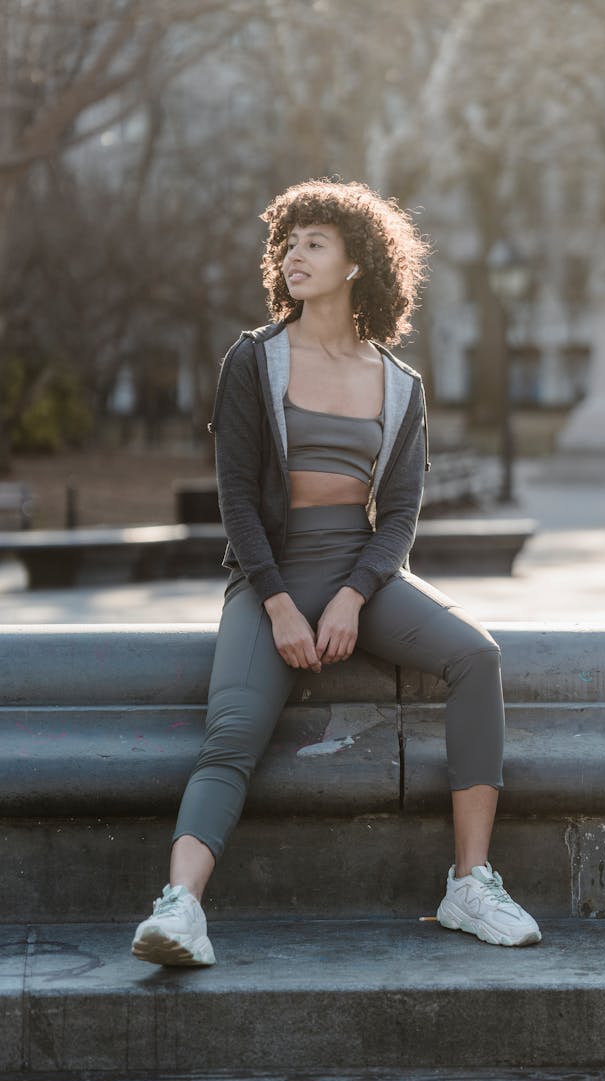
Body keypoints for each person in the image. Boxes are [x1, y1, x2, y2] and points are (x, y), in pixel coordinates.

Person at [131, 179, 541, 967]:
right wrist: (279, 605)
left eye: (315, 242)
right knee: (232, 735)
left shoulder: (401, 384)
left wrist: (355, 595)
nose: (295, 254)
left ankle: (469, 882)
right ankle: (180, 906)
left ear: (358, 263)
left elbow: (400, 517)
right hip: (270, 576)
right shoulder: (253, 360)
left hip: (361, 573)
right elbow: (238, 501)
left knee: (477, 654)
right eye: (288, 243)